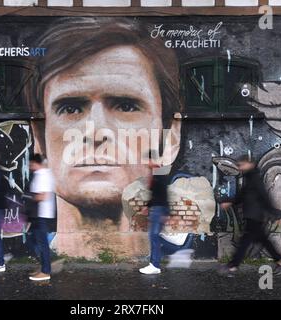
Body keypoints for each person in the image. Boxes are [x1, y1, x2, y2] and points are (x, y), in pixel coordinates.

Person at [26, 17, 183, 257]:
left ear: (169, 137)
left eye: (126, 106)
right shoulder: (24, 254)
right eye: (70, 108)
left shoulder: (185, 260)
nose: (96, 132)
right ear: (39, 137)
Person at [219, 155, 281, 277]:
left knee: (245, 242)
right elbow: (242, 195)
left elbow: (265, 198)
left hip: (254, 216)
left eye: (241, 165)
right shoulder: (250, 178)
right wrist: (230, 202)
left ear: (250, 164)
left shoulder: (255, 178)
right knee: (264, 241)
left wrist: (277, 216)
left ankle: (232, 266)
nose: (239, 168)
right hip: (253, 216)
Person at [139, 150, 171, 275]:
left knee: (154, 236)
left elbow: (163, 193)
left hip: (159, 208)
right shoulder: (156, 173)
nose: (145, 164)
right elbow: (155, 194)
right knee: (154, 236)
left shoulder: (159, 173)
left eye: (146, 161)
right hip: (157, 207)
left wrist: (165, 211)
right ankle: (154, 263)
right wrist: (147, 206)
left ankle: (155, 265)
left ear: (152, 160)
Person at [28, 154, 56, 281]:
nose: (29, 166)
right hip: (38, 215)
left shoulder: (44, 175)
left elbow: (43, 196)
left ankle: (45, 271)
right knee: (36, 242)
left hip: (41, 215)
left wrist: (28, 197)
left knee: (41, 244)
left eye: (31, 164)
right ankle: (44, 267)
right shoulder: (40, 174)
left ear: (35, 163)